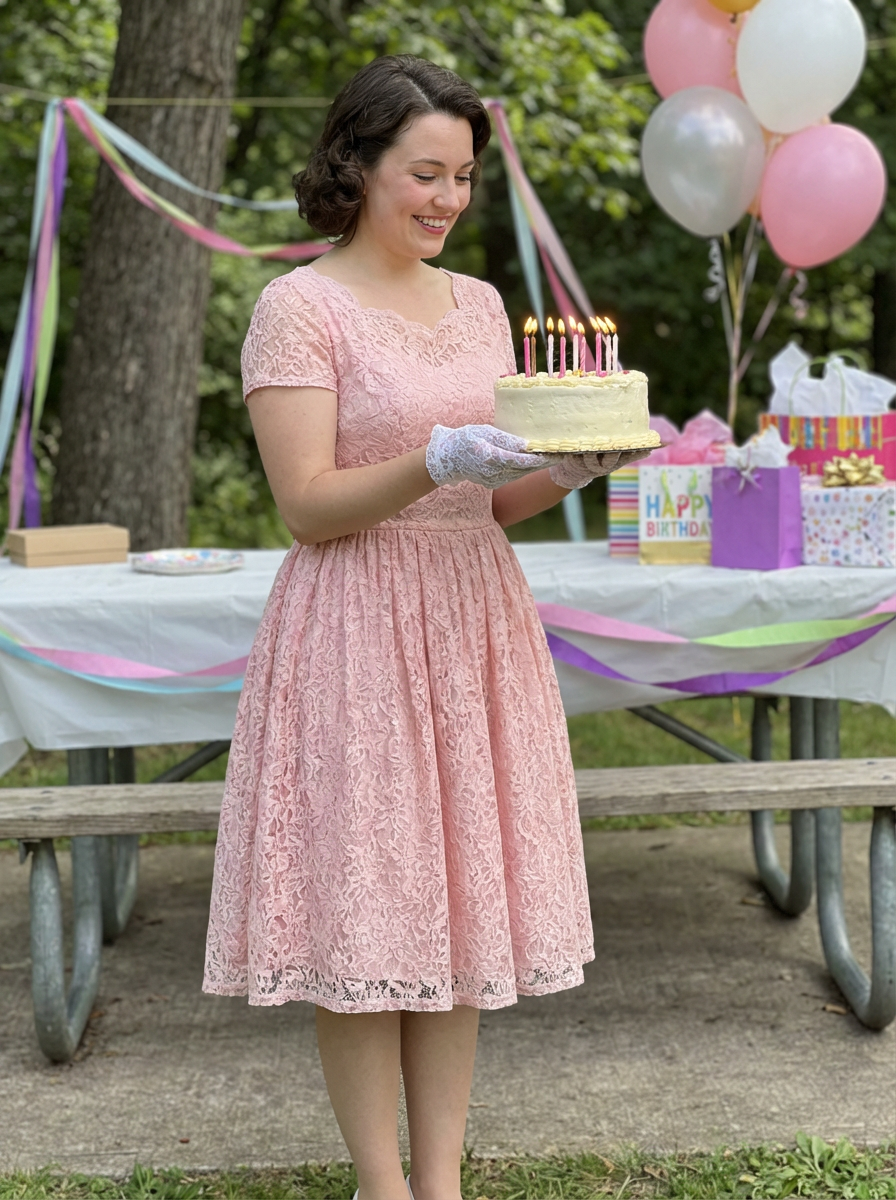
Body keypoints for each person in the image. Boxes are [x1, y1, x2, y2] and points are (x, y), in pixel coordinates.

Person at [203, 54, 645, 1200]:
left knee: (454, 906)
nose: (447, 198)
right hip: (354, 624)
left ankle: (439, 1182)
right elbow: (306, 506)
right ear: (357, 167)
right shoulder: (297, 309)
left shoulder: (483, 306)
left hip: (470, 617)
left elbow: (488, 499)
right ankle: (379, 1184)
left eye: (462, 176)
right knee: (368, 909)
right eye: (425, 173)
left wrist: (569, 470)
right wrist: (429, 459)